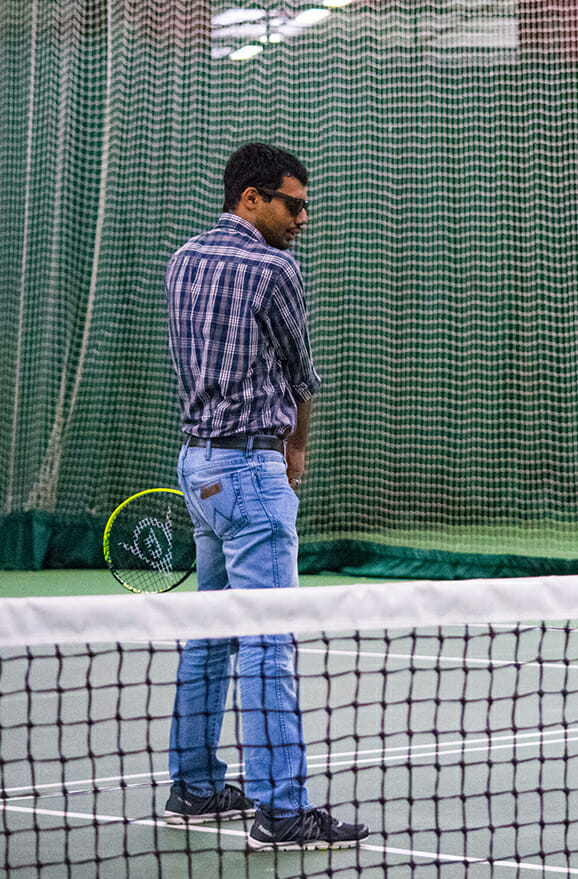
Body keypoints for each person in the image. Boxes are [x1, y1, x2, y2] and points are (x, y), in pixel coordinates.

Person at [163, 142, 370, 850]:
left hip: (198, 467)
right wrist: (297, 446)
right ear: (250, 198)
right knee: (268, 639)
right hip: (252, 471)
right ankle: (282, 809)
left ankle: (192, 786)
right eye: (293, 203)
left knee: (211, 630)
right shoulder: (275, 266)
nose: (303, 217)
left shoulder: (182, 258)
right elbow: (301, 371)